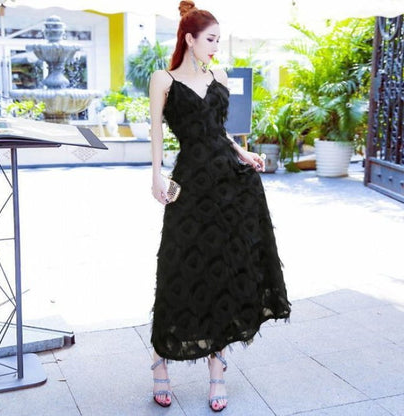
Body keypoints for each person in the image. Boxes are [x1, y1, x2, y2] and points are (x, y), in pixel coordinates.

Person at [149, 1, 291, 412]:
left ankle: (217, 369)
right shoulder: (163, 79)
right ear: (189, 39)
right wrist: (156, 176)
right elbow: (156, 131)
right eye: (211, 40)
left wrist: (243, 153)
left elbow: (219, 131)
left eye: (218, 40)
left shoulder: (220, 76)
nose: (216, 47)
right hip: (190, 182)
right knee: (178, 266)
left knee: (226, 269)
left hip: (232, 183)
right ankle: (160, 360)